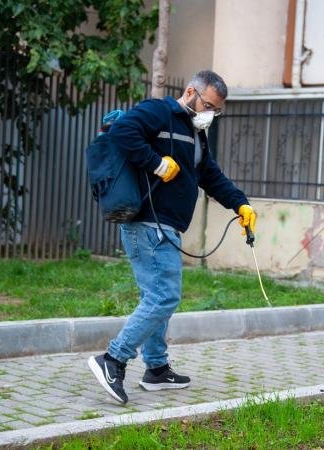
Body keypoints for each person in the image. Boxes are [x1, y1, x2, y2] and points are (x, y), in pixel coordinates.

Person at [88, 70, 256, 404]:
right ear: (190, 91)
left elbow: (210, 175)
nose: (210, 113)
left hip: (166, 226)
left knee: (158, 297)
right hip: (147, 222)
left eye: (216, 110)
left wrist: (240, 204)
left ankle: (157, 370)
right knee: (163, 297)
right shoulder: (159, 111)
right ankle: (113, 359)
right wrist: (155, 163)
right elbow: (123, 131)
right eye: (208, 105)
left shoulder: (195, 134)